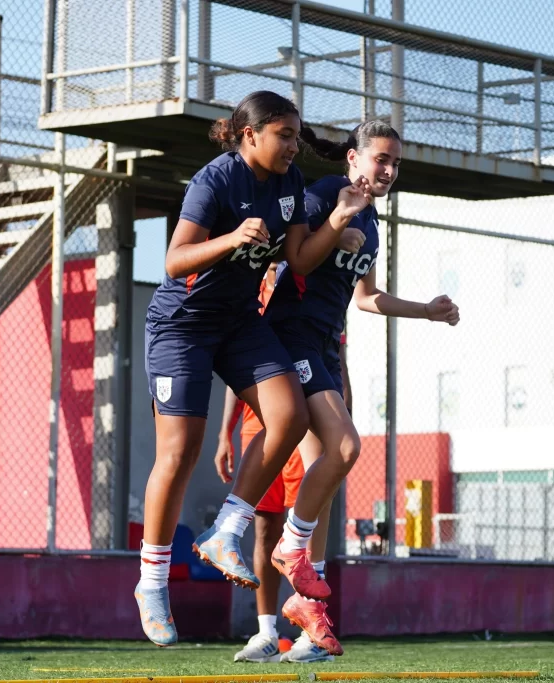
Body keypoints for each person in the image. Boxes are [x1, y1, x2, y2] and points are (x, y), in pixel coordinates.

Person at [136, 91, 372, 647]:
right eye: (283, 136)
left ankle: (227, 529)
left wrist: (336, 222)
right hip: (184, 324)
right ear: (249, 136)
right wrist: (230, 239)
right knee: (180, 452)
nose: (293, 146)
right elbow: (173, 260)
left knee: (289, 417)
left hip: (240, 323)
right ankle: (150, 584)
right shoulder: (213, 182)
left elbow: (299, 260)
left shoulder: (290, 186)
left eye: (295, 136)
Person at [246, 120, 461, 655]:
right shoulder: (321, 196)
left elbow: (365, 297)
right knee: (344, 447)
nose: (387, 170)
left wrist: (426, 312)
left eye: (395, 163)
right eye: (379, 159)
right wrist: (334, 225)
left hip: (325, 348)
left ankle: (309, 620)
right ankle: (286, 561)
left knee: (326, 474)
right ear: (353, 158)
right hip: (291, 338)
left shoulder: (374, 220)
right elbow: (290, 257)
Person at [214, 265, 353, 664]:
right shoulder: (253, 282)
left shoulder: (315, 272)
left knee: (305, 518)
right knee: (264, 526)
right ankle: (266, 633)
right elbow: (237, 363)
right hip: (260, 416)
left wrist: (342, 402)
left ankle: (311, 632)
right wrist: (225, 430)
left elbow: (335, 348)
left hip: (307, 403)